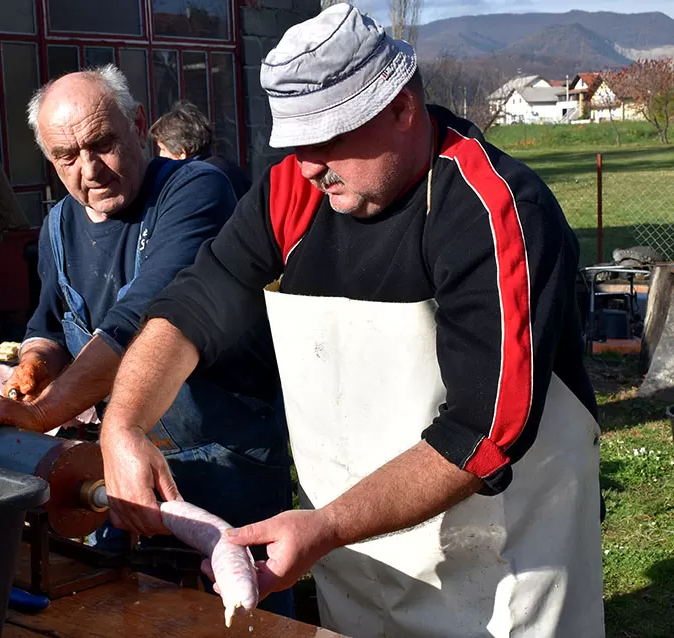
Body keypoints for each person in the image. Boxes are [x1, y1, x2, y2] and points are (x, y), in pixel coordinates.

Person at [95, 5, 604, 637]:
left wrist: (327, 526)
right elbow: (192, 305)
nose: (308, 166)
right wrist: (123, 424)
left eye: (327, 139)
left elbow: (484, 431)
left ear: (402, 107)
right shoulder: (293, 191)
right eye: (295, 144)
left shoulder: (493, 210)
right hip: (355, 558)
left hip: (503, 563)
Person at [0, 65, 294, 615]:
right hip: (121, 459)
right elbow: (48, 327)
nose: (90, 170)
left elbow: (140, 319)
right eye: (66, 157)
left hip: (225, 460)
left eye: (102, 143)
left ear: (140, 124)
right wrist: (34, 366)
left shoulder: (195, 191)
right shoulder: (58, 226)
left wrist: (39, 414)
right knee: (131, 610)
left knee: (249, 615)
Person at [150, 101, 252, 199]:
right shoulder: (230, 169)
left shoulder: (195, 182)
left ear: (181, 153)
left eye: (163, 149)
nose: (160, 155)